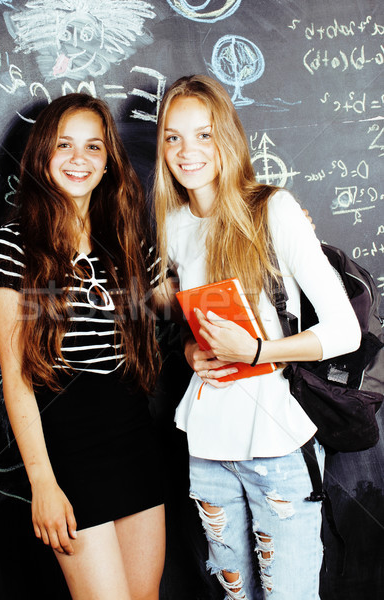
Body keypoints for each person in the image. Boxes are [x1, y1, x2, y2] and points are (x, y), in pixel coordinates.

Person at [153, 74, 361, 600]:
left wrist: (261, 351)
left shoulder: (273, 208)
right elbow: (192, 323)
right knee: (234, 596)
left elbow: (344, 331)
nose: (187, 150)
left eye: (203, 134)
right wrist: (191, 350)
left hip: (277, 445)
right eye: (173, 137)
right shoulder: (174, 225)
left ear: (227, 137)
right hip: (208, 445)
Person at [0, 93, 166, 600]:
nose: (78, 158)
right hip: (67, 445)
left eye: (93, 147)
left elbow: (181, 299)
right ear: (42, 155)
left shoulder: (126, 239)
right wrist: (43, 483)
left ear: (109, 161)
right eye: (64, 145)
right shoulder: (13, 244)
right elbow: (16, 378)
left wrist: (267, 233)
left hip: (131, 433)